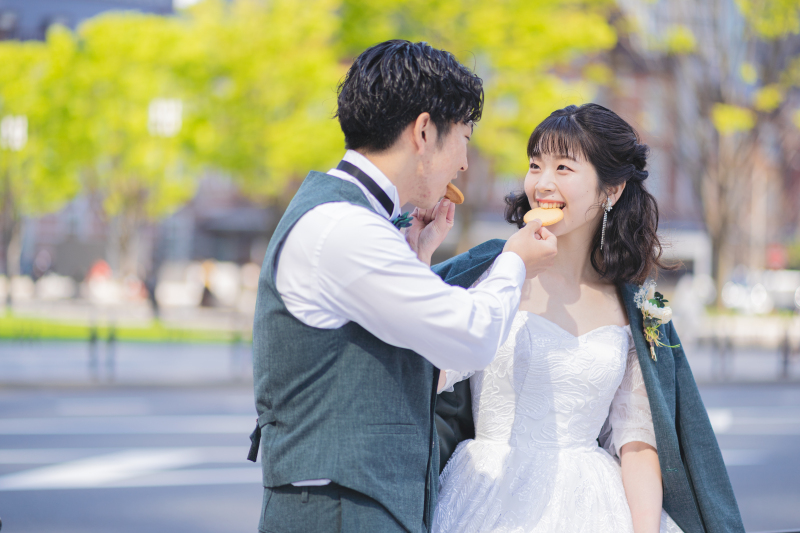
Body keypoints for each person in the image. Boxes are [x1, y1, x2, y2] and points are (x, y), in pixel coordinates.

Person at [248, 40, 557, 533]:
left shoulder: (353, 219)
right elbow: (470, 335)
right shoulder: (345, 228)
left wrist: (417, 255)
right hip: (341, 513)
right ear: (423, 130)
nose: (463, 164)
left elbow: (401, 346)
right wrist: (514, 261)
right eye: (464, 139)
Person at [432, 103, 745, 533]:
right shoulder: (497, 270)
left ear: (610, 191)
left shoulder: (631, 306)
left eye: (563, 168)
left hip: (593, 504)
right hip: (485, 489)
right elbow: (434, 368)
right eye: (535, 164)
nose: (542, 183)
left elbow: (636, 442)